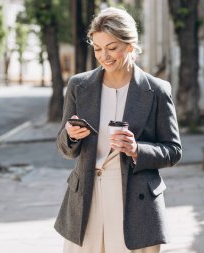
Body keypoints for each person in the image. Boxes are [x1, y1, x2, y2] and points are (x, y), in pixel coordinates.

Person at [54, 7, 182, 253]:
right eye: (98, 48)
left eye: (112, 48)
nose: (104, 56)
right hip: (86, 197)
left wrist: (136, 149)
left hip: (135, 201)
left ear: (131, 45)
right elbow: (64, 148)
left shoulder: (157, 90)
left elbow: (173, 150)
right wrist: (70, 136)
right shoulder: (79, 86)